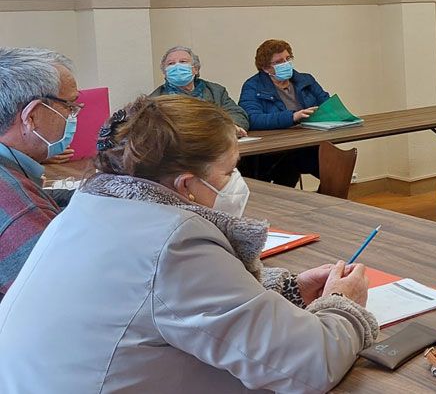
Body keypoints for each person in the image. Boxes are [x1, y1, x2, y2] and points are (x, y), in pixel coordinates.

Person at [0, 95, 377, 392]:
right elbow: (309, 365)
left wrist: (286, 289)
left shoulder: (91, 208)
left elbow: (155, 299)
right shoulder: (174, 240)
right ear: (187, 185)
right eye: (229, 171)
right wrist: (343, 304)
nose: (235, 182)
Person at [0, 48, 79, 298]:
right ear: (31, 116)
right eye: (70, 106)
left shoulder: (13, 172)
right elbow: (63, 299)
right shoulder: (21, 209)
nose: (74, 116)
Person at [239, 39, 328, 186]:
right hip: (275, 150)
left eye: (288, 59)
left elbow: (326, 103)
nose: (286, 64)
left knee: (337, 167)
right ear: (266, 68)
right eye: (279, 61)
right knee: (288, 167)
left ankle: (328, 202)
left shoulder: (306, 80)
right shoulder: (253, 86)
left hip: (309, 141)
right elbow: (252, 118)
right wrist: (292, 117)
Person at [150, 45, 250, 137]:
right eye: (171, 63)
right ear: (165, 72)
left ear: (196, 69)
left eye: (183, 62)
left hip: (218, 143)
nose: (177, 67)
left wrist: (231, 127)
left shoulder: (216, 91)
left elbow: (238, 114)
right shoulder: (155, 100)